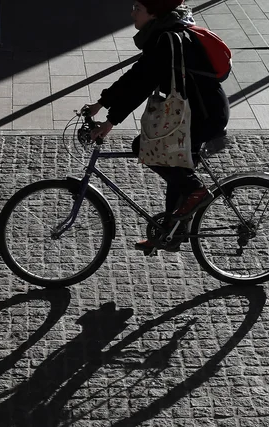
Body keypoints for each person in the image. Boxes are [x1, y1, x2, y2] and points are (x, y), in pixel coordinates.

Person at [84, 0, 229, 252]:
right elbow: (137, 75)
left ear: (154, 13)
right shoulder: (166, 33)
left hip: (203, 115)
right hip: (200, 110)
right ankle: (169, 233)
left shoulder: (166, 39)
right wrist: (101, 102)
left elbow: (140, 84)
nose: (132, 13)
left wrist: (109, 122)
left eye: (137, 8)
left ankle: (196, 191)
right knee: (175, 165)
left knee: (145, 146)